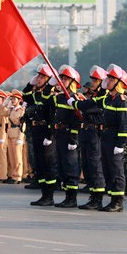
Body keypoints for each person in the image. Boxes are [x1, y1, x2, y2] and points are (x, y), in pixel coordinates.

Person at [99, 64, 127, 212]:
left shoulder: (122, 100)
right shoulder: (109, 99)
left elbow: (125, 124)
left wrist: (121, 143)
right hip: (106, 136)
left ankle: (118, 201)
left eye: (112, 79)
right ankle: (112, 198)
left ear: (119, 83)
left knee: (117, 170)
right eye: (109, 78)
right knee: (108, 169)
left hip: (114, 138)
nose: (109, 81)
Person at [25, 65, 59, 206]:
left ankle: (49, 196)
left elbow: (53, 117)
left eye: (41, 77)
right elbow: (25, 95)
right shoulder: (37, 94)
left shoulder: (51, 96)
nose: (38, 79)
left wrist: (50, 136)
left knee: (48, 166)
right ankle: (44, 195)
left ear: (48, 80)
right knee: (39, 165)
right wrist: (31, 83)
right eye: (38, 76)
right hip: (36, 131)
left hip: (46, 132)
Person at [76, 66, 107, 209]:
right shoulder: (95, 96)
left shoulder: (103, 97)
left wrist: (77, 104)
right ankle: (92, 195)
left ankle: (97, 199)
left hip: (95, 134)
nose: (93, 83)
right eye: (93, 80)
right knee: (87, 165)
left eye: (95, 80)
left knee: (95, 166)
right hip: (86, 133)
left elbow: (89, 107)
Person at [52, 65, 83, 207]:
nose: (62, 81)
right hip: (60, 135)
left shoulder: (73, 98)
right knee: (63, 166)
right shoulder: (60, 98)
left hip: (68, 136)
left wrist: (73, 139)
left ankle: (72, 198)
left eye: (65, 79)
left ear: (72, 82)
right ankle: (67, 196)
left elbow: (77, 121)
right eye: (62, 79)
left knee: (71, 167)